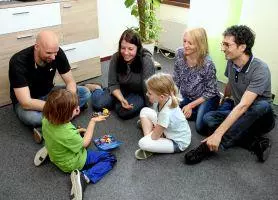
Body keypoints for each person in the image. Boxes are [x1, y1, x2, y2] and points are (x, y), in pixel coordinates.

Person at [184, 25, 276, 165]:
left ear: (242, 47)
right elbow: (230, 83)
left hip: (261, 118)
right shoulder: (231, 61)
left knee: (260, 105)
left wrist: (217, 134)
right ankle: (255, 143)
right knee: (209, 118)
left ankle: (206, 148)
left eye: (227, 44)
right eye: (223, 43)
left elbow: (244, 105)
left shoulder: (260, 69)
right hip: (241, 112)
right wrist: (224, 98)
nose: (222, 48)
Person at [9, 30, 90, 143]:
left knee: (85, 92)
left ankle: (49, 125)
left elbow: (70, 82)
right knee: (32, 118)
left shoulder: (57, 53)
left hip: (50, 93)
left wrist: (72, 102)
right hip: (28, 103)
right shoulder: (18, 62)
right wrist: (61, 107)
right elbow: (26, 102)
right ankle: (66, 116)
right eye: (48, 53)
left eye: (55, 52)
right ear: (37, 47)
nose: (53, 57)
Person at [34, 88, 116, 199]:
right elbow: (85, 143)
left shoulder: (45, 120)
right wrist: (92, 122)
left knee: (60, 137)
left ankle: (50, 148)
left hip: (56, 154)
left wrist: (76, 129)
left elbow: (63, 127)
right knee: (110, 158)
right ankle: (85, 177)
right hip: (72, 163)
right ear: (66, 114)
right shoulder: (68, 134)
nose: (78, 108)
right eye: (75, 108)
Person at [85, 29, 155, 120]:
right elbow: (113, 83)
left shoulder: (146, 60)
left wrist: (149, 106)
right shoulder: (116, 57)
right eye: (123, 48)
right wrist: (121, 99)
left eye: (130, 49)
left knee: (122, 112)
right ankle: (97, 88)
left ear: (138, 48)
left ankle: (115, 101)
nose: (126, 52)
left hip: (139, 92)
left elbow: (148, 87)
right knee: (98, 104)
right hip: (121, 88)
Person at [173, 27, 220, 134]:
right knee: (171, 110)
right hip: (189, 96)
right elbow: (176, 79)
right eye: (184, 41)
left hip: (207, 98)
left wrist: (190, 106)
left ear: (200, 44)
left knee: (200, 127)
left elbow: (211, 91)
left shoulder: (208, 63)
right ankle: (198, 110)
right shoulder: (179, 53)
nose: (185, 45)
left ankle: (210, 110)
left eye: (190, 43)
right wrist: (172, 96)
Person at [135, 73, 191, 160]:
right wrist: (156, 129)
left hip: (178, 143)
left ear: (161, 96)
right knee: (144, 110)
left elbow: (154, 137)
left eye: (149, 93)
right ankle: (154, 136)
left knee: (142, 143)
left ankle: (150, 144)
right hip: (166, 127)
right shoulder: (164, 99)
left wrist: (155, 131)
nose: (146, 94)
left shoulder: (166, 113)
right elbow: (159, 116)